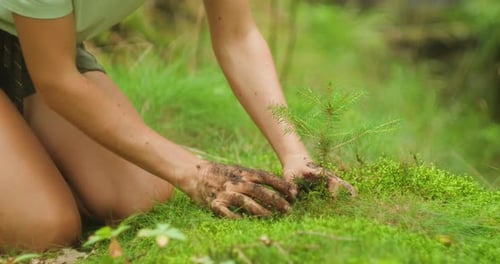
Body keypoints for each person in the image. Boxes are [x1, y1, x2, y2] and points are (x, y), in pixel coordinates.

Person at [0, 0, 355, 252]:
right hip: (49, 61)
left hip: (32, 41)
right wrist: (194, 172)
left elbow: (237, 35)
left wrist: (295, 155)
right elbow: (58, 81)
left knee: (141, 198)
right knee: (45, 227)